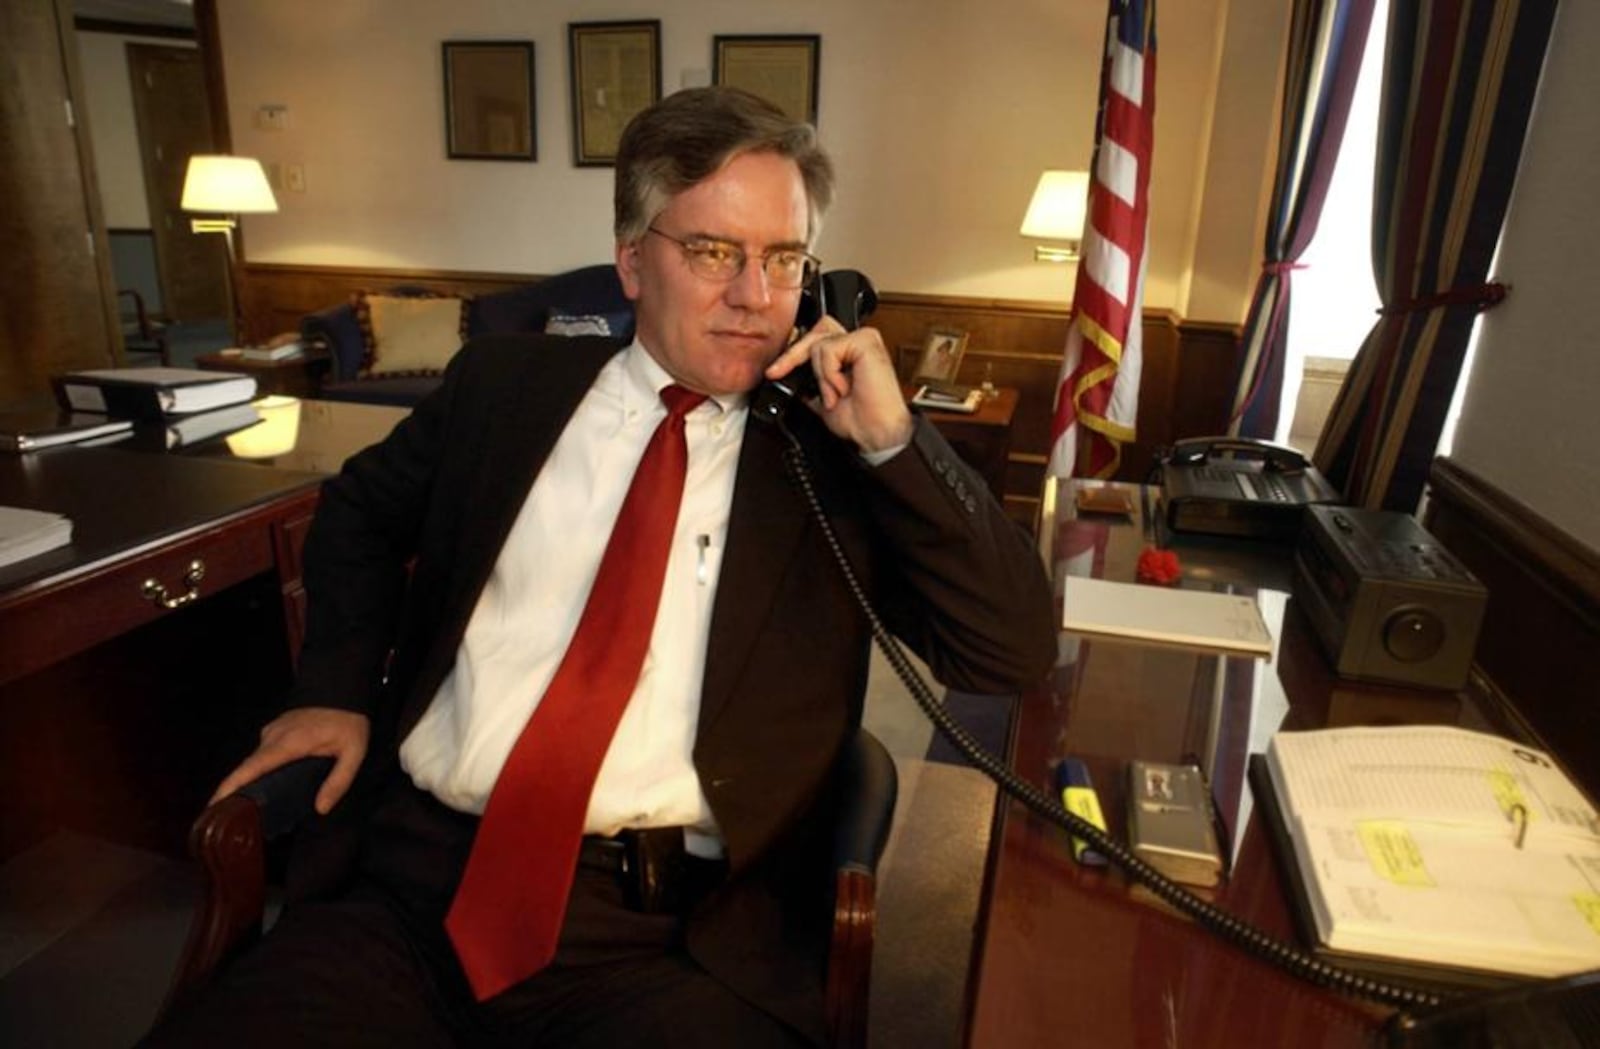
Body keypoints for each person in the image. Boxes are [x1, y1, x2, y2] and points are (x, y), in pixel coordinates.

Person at [147, 86, 1055, 1048]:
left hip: (676, 945)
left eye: (782, 258)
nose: (754, 294)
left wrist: (896, 444)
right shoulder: (505, 388)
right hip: (413, 899)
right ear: (632, 260)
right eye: (712, 251)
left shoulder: (835, 459)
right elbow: (360, 512)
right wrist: (334, 688)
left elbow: (1008, 652)